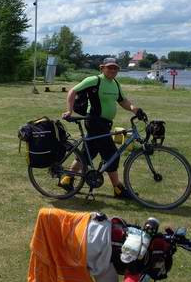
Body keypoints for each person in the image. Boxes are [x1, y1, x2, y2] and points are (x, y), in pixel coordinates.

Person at [61, 57, 144, 198]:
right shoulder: (95, 80)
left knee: (88, 153)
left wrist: (135, 109)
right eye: (109, 67)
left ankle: (67, 179)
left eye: (115, 68)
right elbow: (72, 91)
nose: (112, 70)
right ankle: (118, 189)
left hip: (105, 124)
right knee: (111, 154)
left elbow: (123, 101)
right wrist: (69, 110)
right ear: (102, 68)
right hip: (94, 121)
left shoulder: (115, 84)